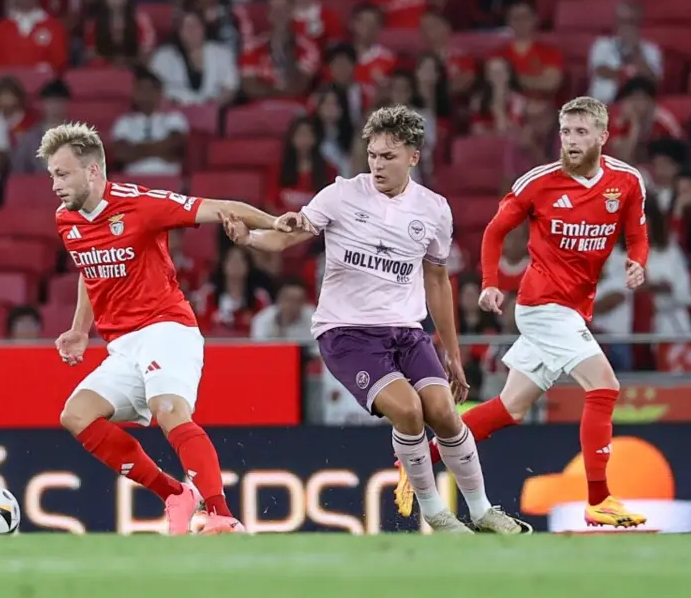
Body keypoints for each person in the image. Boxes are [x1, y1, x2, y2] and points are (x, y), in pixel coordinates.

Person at [222, 105, 526, 534]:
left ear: (413, 158)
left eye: (389, 156)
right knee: (408, 411)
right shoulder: (341, 194)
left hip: (407, 331)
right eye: (373, 155)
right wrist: (250, 237)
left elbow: (438, 281)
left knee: (442, 411)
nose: (378, 164)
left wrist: (453, 355)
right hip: (346, 333)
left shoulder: (434, 209)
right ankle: (437, 513)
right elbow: (287, 234)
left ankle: (481, 511)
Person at [396, 96, 650, 529]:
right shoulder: (538, 182)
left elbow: (637, 234)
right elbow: (495, 231)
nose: (570, 140)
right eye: (566, 131)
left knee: (509, 408)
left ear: (603, 137)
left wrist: (637, 262)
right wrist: (491, 282)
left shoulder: (626, 182)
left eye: (581, 132)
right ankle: (599, 499)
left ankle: (418, 458)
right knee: (604, 387)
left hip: (573, 309)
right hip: (542, 306)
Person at [38, 122, 282, 536]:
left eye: (63, 174)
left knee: (170, 411)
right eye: (52, 177)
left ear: (93, 171)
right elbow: (88, 267)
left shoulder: (141, 205)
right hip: (123, 345)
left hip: (167, 327)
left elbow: (220, 206)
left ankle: (222, 515)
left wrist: (277, 224)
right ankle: (174, 493)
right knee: (76, 415)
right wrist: (81, 329)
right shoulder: (67, 220)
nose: (56, 185)